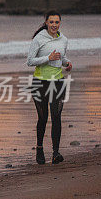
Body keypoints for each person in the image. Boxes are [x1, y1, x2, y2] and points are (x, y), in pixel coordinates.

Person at [26, 11, 72, 165]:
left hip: (57, 82)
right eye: (51, 22)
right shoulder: (39, 39)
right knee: (43, 118)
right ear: (46, 22)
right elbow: (30, 61)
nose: (54, 25)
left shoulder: (63, 39)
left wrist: (67, 63)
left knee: (56, 117)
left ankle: (55, 153)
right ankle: (39, 149)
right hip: (40, 83)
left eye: (56, 22)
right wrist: (48, 58)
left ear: (60, 23)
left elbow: (62, 57)